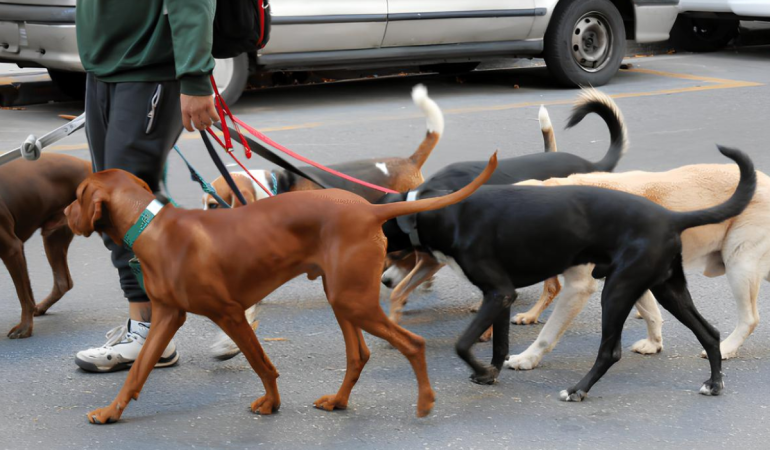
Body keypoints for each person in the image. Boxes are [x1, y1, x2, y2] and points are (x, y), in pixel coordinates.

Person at [73, 0, 220, 372]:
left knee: (124, 210)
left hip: (149, 66)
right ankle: (165, 322)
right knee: (122, 209)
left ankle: (149, 331)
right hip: (105, 66)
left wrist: (195, 77)